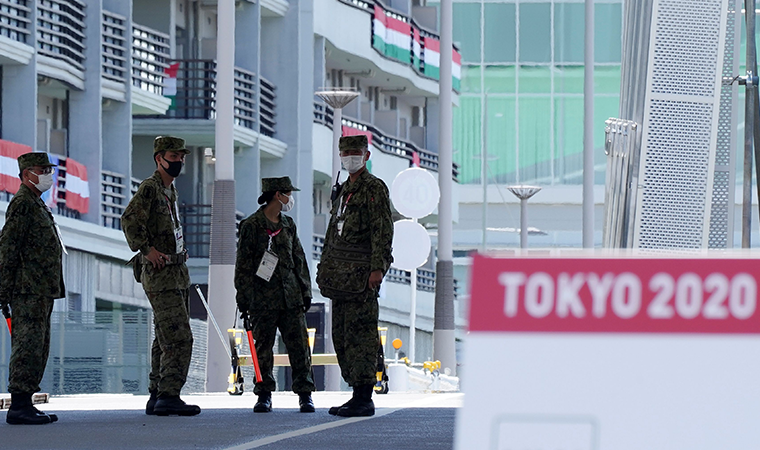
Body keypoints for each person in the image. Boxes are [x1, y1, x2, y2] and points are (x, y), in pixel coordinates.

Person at [121, 136, 200, 416]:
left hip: (177, 273)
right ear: (159, 158)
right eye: (173, 156)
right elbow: (129, 219)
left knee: (164, 338)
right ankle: (169, 394)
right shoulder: (151, 188)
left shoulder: (170, 192)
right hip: (161, 274)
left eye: (182, 156)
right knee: (180, 337)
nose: (179, 161)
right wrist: (147, 250)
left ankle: (157, 393)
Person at [316, 135, 393, 417]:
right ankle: (354, 392)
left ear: (366, 154)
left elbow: (383, 230)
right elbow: (332, 232)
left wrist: (378, 267)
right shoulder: (342, 189)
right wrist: (325, 267)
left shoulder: (374, 188)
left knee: (362, 334)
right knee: (342, 334)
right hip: (340, 277)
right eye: (346, 152)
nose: (350, 156)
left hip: (362, 276)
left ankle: (364, 396)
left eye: (355, 152)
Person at [235, 176, 316, 413]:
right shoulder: (251, 225)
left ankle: (305, 394)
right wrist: (244, 298)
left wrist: (305, 291)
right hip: (262, 299)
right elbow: (244, 265)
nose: (290, 198)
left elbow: (299, 259)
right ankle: (263, 394)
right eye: (287, 193)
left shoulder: (289, 225)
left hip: (291, 297)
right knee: (263, 348)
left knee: (299, 347)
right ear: (276, 195)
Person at [0, 152, 65, 425]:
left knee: (39, 345)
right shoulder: (23, 204)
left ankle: (27, 402)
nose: (47, 175)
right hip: (27, 289)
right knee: (27, 345)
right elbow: (8, 247)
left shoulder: (37, 204)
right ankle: (20, 405)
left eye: (48, 169)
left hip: (40, 289)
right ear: (27, 174)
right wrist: (3, 291)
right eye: (42, 169)